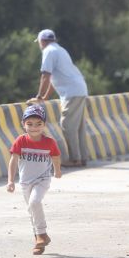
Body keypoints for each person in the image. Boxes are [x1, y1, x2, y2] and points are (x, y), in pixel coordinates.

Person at [27, 29, 89, 168]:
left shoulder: (48, 51)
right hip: (79, 89)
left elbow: (45, 76)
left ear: (42, 41)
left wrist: (38, 96)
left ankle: (75, 159)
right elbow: (53, 79)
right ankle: (82, 158)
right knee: (78, 127)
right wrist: (44, 97)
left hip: (72, 92)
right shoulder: (60, 50)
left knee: (67, 124)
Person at [6, 104, 63, 255]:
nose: (34, 128)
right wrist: (11, 180)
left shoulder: (49, 142)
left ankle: (42, 234)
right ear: (23, 124)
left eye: (39, 124)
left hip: (42, 179)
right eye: (29, 124)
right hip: (25, 182)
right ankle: (39, 242)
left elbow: (55, 156)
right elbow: (13, 160)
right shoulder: (20, 141)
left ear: (44, 124)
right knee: (32, 211)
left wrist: (57, 170)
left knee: (34, 202)